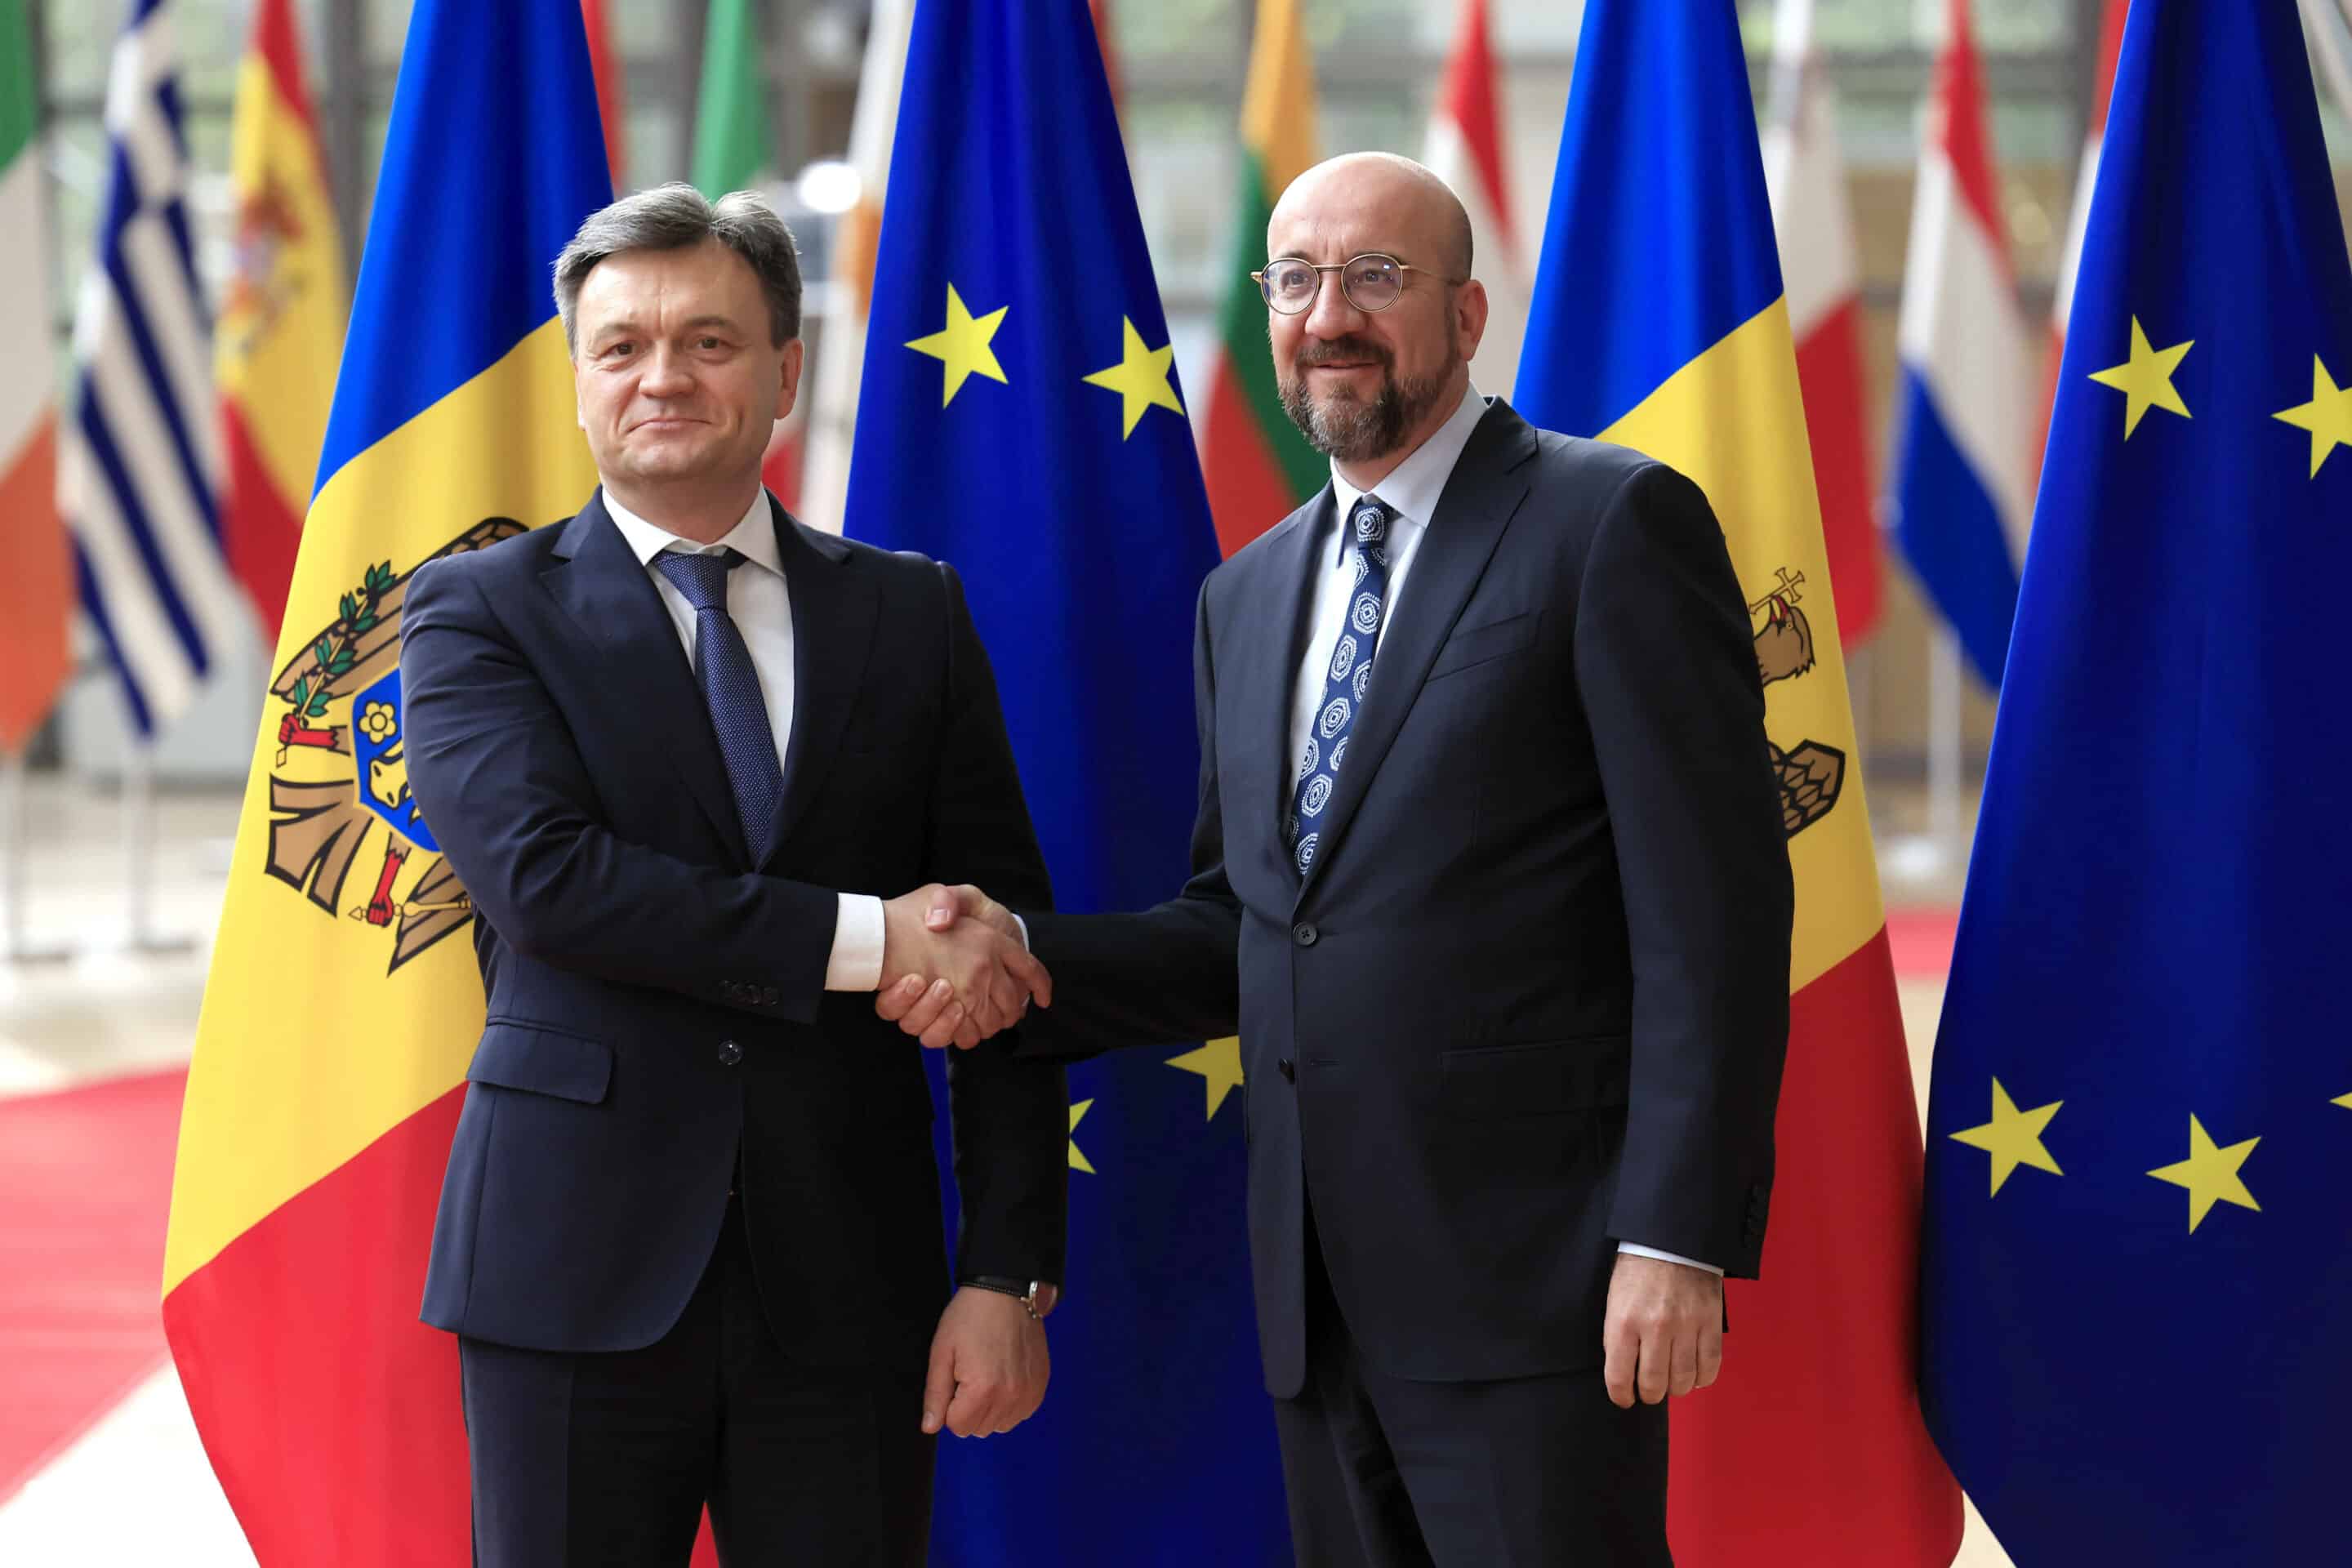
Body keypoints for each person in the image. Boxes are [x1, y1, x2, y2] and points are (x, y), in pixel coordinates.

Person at [881, 153, 1794, 1566]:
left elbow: (1713, 915)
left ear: (1469, 311)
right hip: (1316, 1298)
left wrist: (1676, 1240)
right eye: (1296, 279)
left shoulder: (1610, 524)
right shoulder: (1242, 597)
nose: (1329, 314)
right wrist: (1008, 958)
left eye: (1377, 276)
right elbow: (1242, 928)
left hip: (1541, 1290)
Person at [399, 184, 1065, 1568]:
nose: (661, 376)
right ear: (577, 379)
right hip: (569, 1271)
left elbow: (1001, 951)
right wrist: (877, 942)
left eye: (708, 341)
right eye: (621, 345)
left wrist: (1007, 1269)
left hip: (851, 1276)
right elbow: (549, 884)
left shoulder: (910, 611)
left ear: (785, 371)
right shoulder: (475, 612)